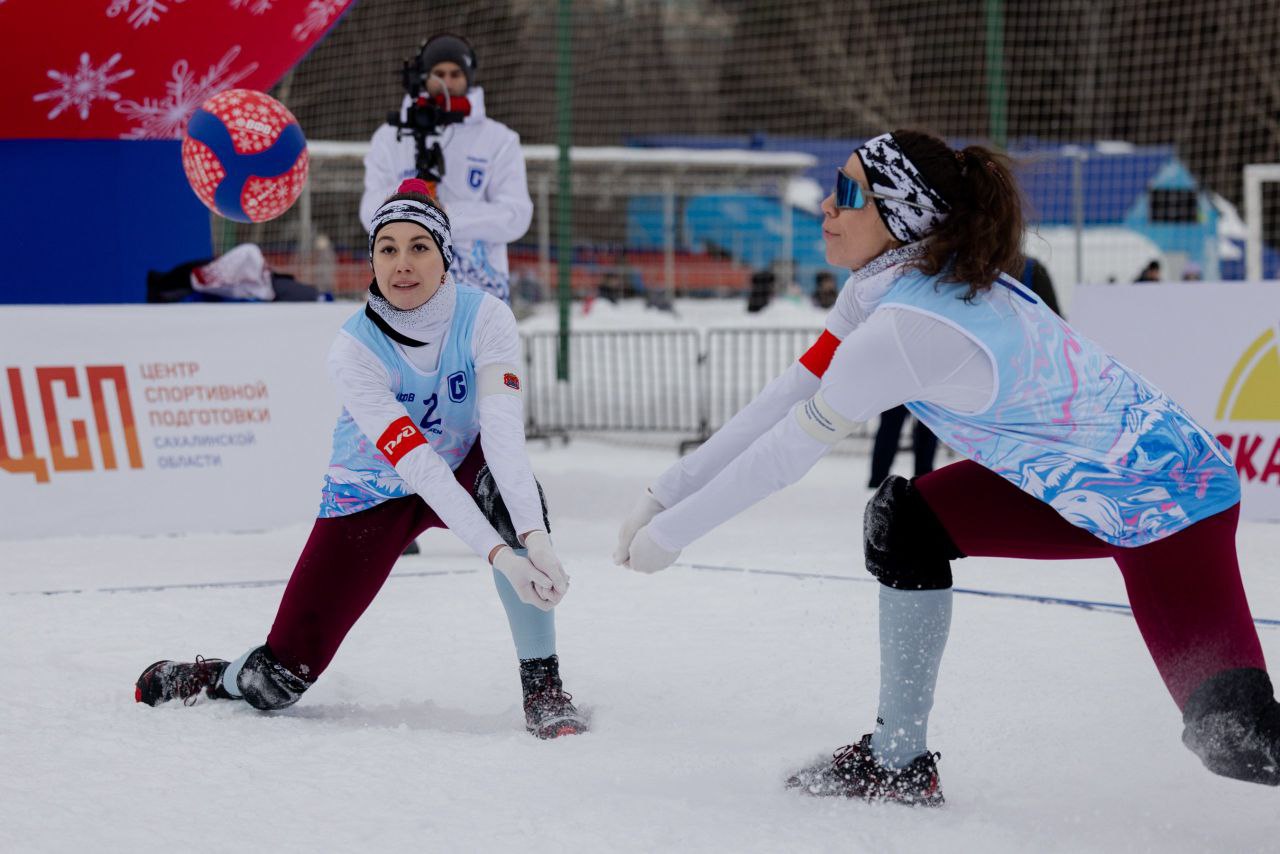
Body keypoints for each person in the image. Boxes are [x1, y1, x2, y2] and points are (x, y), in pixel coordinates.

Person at [613, 130, 1278, 803]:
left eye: (848, 192)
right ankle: (898, 761)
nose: (824, 204)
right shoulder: (885, 284)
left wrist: (671, 537)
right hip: (1079, 490)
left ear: (901, 214)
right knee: (907, 524)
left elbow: (788, 452)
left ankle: (899, 761)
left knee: (1235, 740)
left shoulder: (905, 328)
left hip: (1169, 502)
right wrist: (667, 492)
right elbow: (788, 392)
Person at [136, 179, 588, 739]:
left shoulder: (487, 317)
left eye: (419, 247)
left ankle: (542, 687)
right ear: (371, 259)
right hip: (374, 489)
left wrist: (534, 541)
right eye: (387, 248)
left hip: (464, 463)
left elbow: (503, 442)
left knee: (514, 500)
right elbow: (419, 468)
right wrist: (502, 557)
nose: (403, 263)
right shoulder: (353, 349)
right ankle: (218, 676)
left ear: (445, 258)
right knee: (276, 683)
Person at [360, 34, 533, 306]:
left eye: (455, 74)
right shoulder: (390, 136)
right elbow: (369, 210)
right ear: (423, 75)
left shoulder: (499, 139)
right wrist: (416, 209)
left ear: (469, 77)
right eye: (439, 73)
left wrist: (444, 216)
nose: (447, 83)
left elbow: (516, 216)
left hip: (480, 293)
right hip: (406, 287)